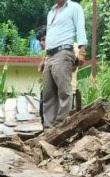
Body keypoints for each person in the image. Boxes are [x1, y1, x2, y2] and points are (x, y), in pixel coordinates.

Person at [41, 0, 87, 128]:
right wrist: (44, 59)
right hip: (50, 55)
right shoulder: (51, 11)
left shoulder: (74, 8)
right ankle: (48, 129)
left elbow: (80, 28)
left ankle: (60, 127)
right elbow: (50, 35)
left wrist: (82, 52)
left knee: (64, 93)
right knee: (48, 94)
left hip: (64, 52)